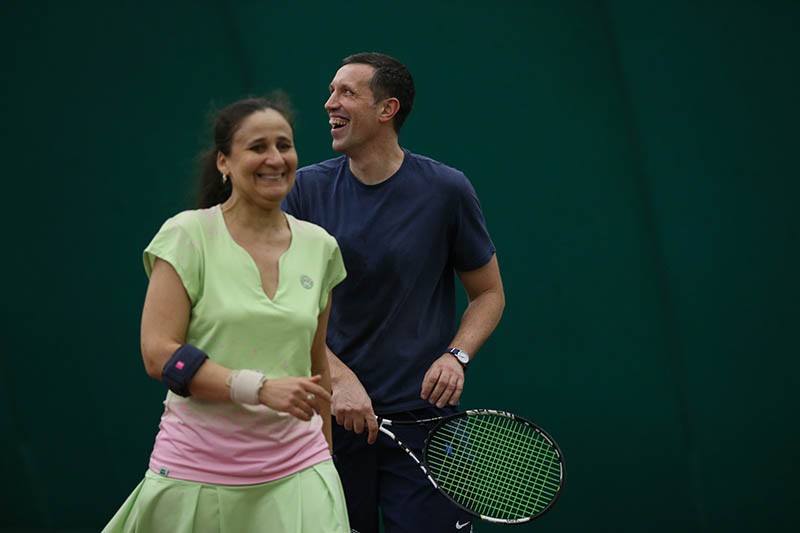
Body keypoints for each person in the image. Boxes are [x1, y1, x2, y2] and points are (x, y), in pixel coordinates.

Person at [103, 96, 351, 532]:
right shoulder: (187, 235)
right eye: (258, 147)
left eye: (284, 145)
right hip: (196, 471)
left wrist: (326, 458)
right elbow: (159, 354)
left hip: (301, 468)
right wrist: (258, 388)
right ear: (224, 162)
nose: (275, 158)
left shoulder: (321, 247)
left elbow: (316, 367)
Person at [282, 53, 505, 533]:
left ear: (387, 109)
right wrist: (339, 380)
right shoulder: (303, 193)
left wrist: (457, 356)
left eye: (346, 92)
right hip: (331, 423)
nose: (330, 103)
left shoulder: (446, 191)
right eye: (331, 91)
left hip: (425, 422)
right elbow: (281, 307)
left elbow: (488, 293)